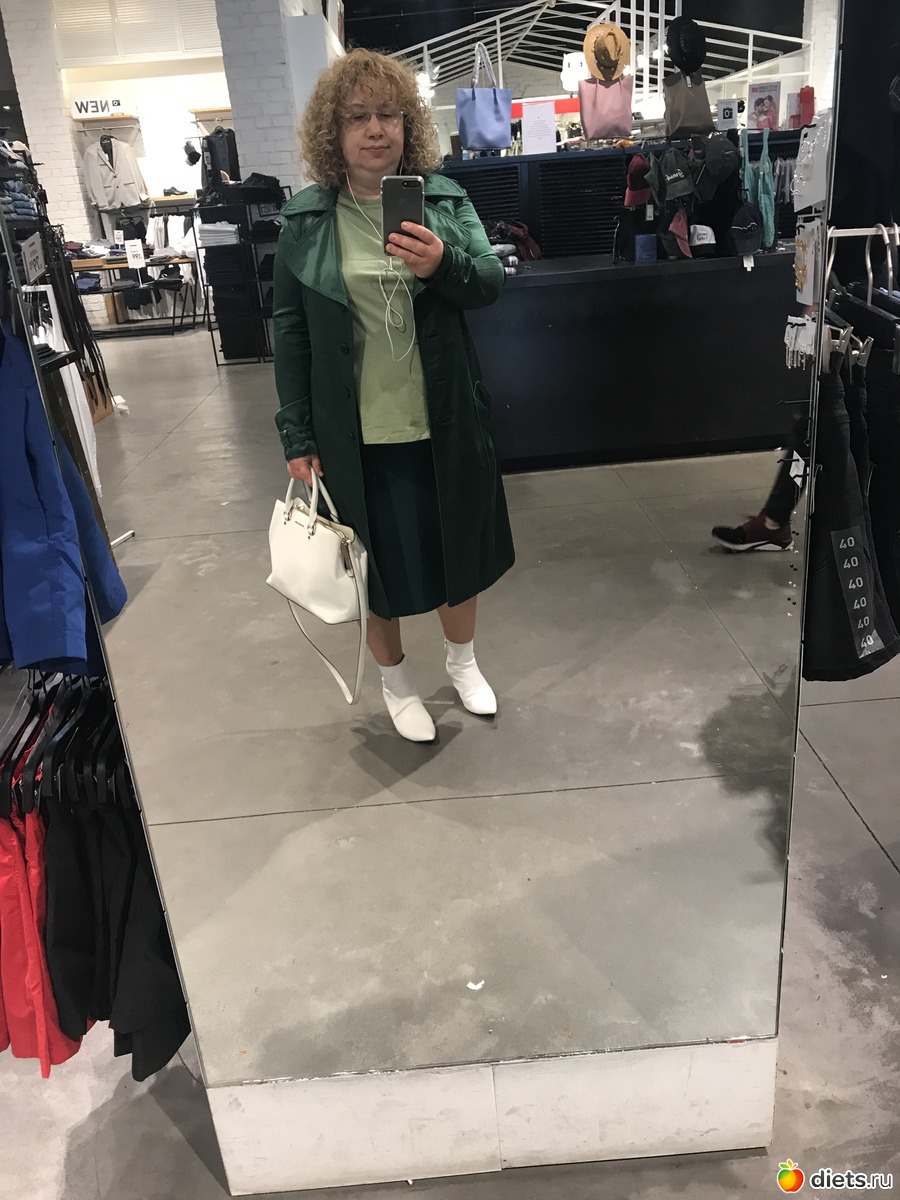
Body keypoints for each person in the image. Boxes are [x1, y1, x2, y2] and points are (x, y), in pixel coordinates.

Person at [273, 48, 515, 743]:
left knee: (455, 550)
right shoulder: (306, 221)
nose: (375, 129)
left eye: (388, 114)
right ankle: (397, 683)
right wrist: (297, 434)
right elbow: (290, 331)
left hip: (442, 416)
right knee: (373, 566)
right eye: (358, 117)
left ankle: (463, 663)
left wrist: (442, 263)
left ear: (409, 124)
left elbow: (488, 282)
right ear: (334, 132)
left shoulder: (444, 199)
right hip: (354, 432)